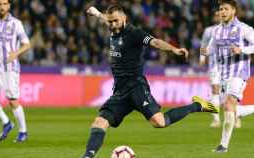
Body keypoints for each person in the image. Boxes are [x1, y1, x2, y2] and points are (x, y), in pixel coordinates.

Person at [82, 4, 219, 158]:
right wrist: (97, 13)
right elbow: (106, 18)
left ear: (124, 18)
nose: (112, 24)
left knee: (159, 122)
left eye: (115, 21)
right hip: (120, 91)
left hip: (136, 87)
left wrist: (173, 49)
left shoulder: (134, 33)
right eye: (110, 21)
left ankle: (197, 105)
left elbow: (155, 42)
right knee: (99, 122)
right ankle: (87, 156)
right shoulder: (113, 26)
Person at [207, 0, 254, 152]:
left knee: (228, 104)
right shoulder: (216, 31)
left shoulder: (244, 29)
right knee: (230, 109)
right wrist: (193, 51)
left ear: (234, 11)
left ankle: (223, 146)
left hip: (239, 72)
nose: (223, 11)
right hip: (223, 74)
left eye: (226, 9)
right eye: (221, 9)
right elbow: (210, 49)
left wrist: (242, 50)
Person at [0, 0, 30, 142]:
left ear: (9, 6)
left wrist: (16, 53)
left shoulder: (16, 23)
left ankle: (23, 131)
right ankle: (6, 122)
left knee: (13, 102)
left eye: (4, 4)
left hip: (10, 68)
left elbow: (27, 44)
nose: (2, 6)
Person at [200, 10, 254, 129]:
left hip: (233, 67)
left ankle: (236, 116)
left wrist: (241, 50)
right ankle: (216, 119)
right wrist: (202, 57)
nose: (218, 15)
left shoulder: (238, 29)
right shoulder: (210, 30)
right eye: (217, 13)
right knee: (215, 90)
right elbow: (204, 45)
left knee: (231, 96)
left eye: (221, 12)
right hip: (215, 65)